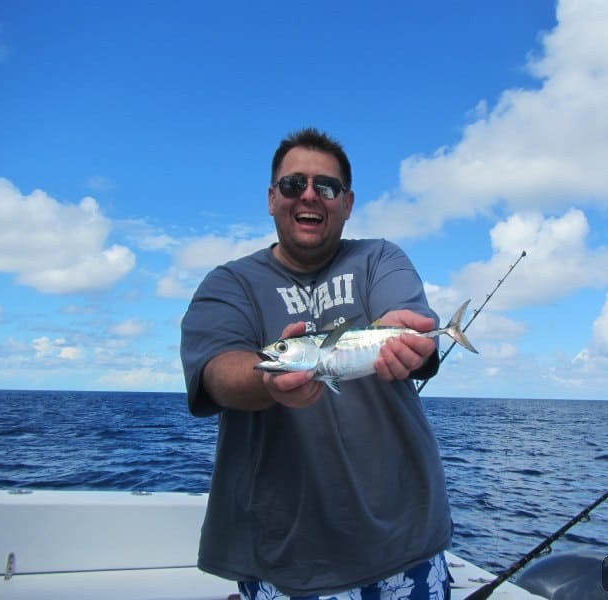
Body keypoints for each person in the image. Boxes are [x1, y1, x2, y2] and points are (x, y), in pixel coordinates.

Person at [180, 128, 453, 600]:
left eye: (326, 187)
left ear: (347, 203)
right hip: (283, 560)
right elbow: (218, 369)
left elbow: (401, 315)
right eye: (292, 184)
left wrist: (406, 336)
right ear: (271, 198)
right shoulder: (229, 283)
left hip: (404, 544)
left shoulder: (379, 258)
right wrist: (267, 383)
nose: (309, 195)